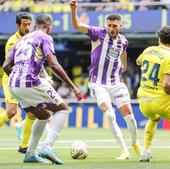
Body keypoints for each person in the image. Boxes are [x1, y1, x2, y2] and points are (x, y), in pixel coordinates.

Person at [3, 14, 81, 164]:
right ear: (49, 27)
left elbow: (6, 65)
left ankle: (30, 153)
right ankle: (47, 147)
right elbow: (53, 64)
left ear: (34, 25)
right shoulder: (44, 37)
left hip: (13, 85)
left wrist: (16, 79)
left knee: (44, 116)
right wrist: (73, 86)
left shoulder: (20, 41)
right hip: (30, 82)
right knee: (63, 109)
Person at [70, 0, 141, 160]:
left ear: (120, 26)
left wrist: (123, 65)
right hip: (98, 83)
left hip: (116, 83)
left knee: (130, 116)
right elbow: (77, 26)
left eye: (114, 26)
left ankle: (136, 144)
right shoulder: (97, 33)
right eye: (109, 25)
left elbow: (123, 52)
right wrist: (73, 10)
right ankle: (124, 151)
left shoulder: (123, 40)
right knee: (109, 115)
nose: (111, 28)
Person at [0, 13, 35, 153]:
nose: (27, 27)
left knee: (33, 112)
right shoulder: (12, 42)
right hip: (11, 78)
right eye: (24, 24)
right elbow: (8, 66)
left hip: (25, 78)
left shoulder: (32, 39)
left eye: (29, 24)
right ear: (18, 25)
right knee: (12, 111)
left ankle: (24, 146)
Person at [136, 25, 170, 162]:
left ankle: (145, 151)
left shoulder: (148, 50)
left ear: (159, 38)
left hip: (144, 102)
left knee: (154, 119)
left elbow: (138, 62)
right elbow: (167, 85)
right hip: (160, 101)